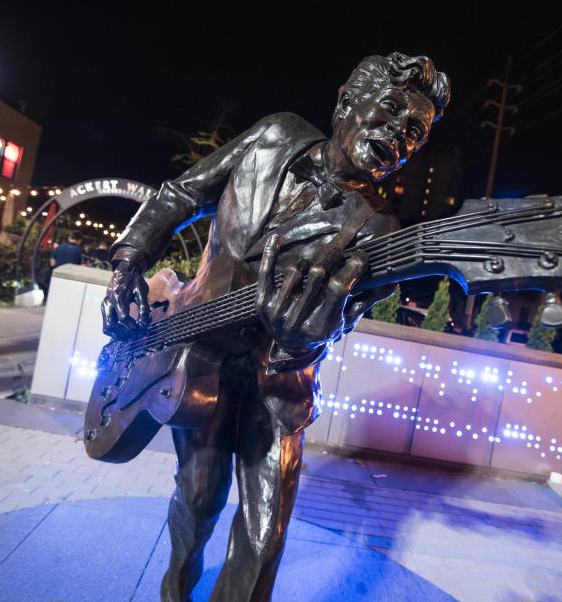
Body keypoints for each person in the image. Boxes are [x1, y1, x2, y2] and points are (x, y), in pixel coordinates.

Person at [101, 53, 450, 602]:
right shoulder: (275, 133)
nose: (398, 139)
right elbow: (182, 194)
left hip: (277, 386)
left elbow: (338, 325)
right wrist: (127, 263)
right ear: (346, 101)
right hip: (197, 358)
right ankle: (174, 593)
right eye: (389, 114)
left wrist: (301, 340)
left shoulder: (380, 228)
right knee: (197, 505)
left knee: (264, 538)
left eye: (414, 135)